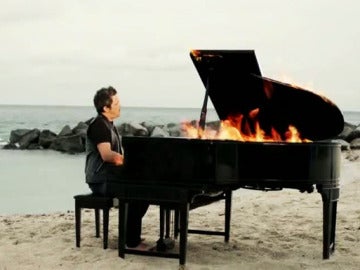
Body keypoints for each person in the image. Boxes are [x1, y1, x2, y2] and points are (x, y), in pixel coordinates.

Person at [85, 86, 149, 250]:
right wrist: (129, 161)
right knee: (136, 193)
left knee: (144, 190)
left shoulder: (109, 125)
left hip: (110, 177)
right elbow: (106, 155)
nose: (120, 106)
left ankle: (129, 235)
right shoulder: (99, 125)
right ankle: (131, 241)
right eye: (117, 103)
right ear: (106, 108)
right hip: (100, 180)